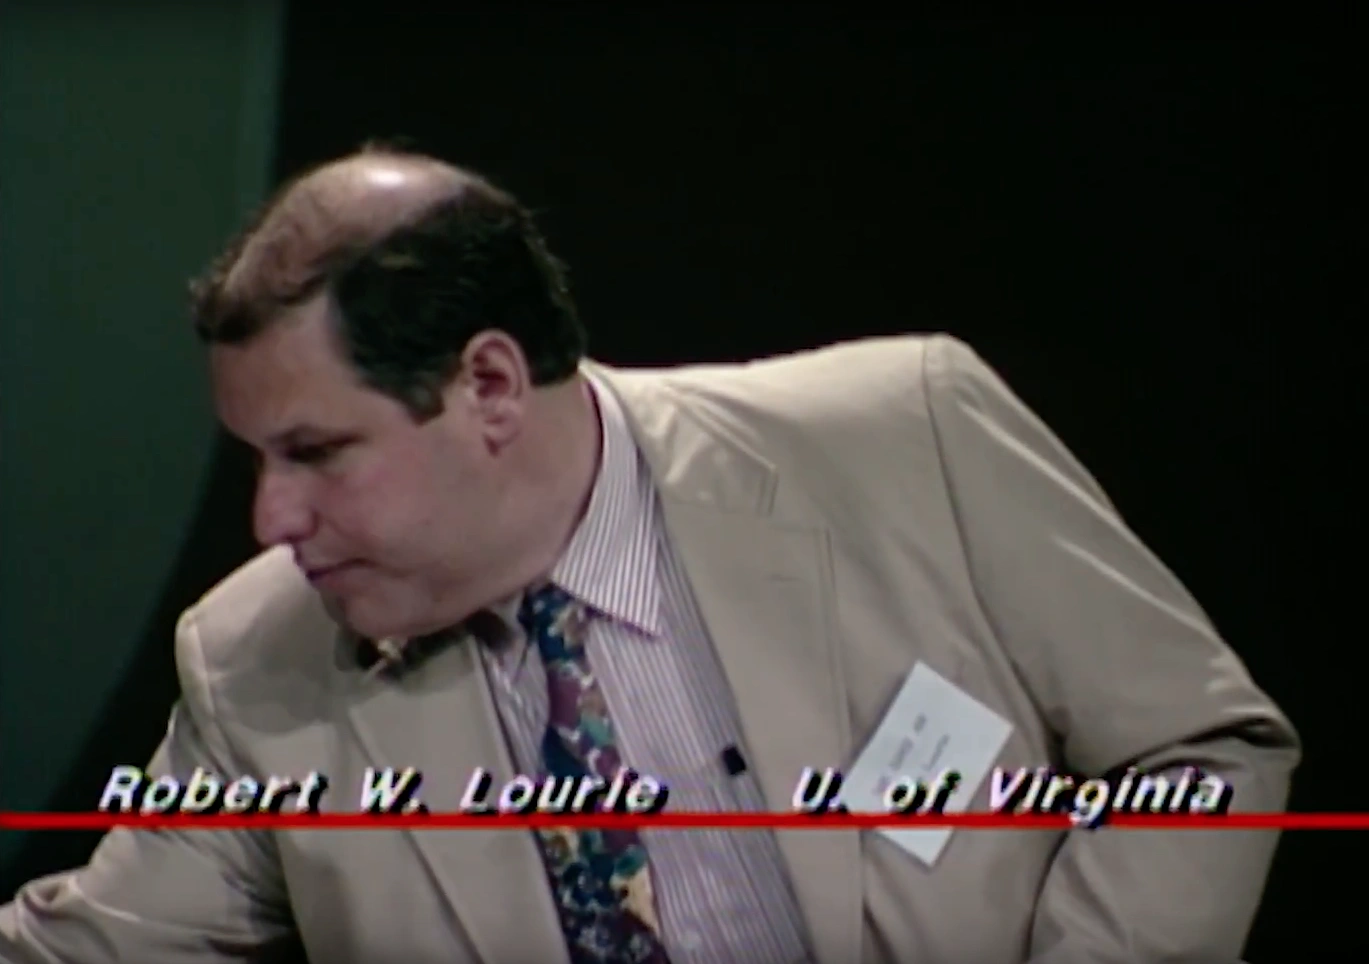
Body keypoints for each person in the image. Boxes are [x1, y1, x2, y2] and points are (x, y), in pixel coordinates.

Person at [0, 146, 1299, 964]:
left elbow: (1193, 750)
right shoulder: (256, 657)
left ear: (490, 386)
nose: (271, 521)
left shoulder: (907, 436)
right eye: (252, 460)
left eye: (317, 452)